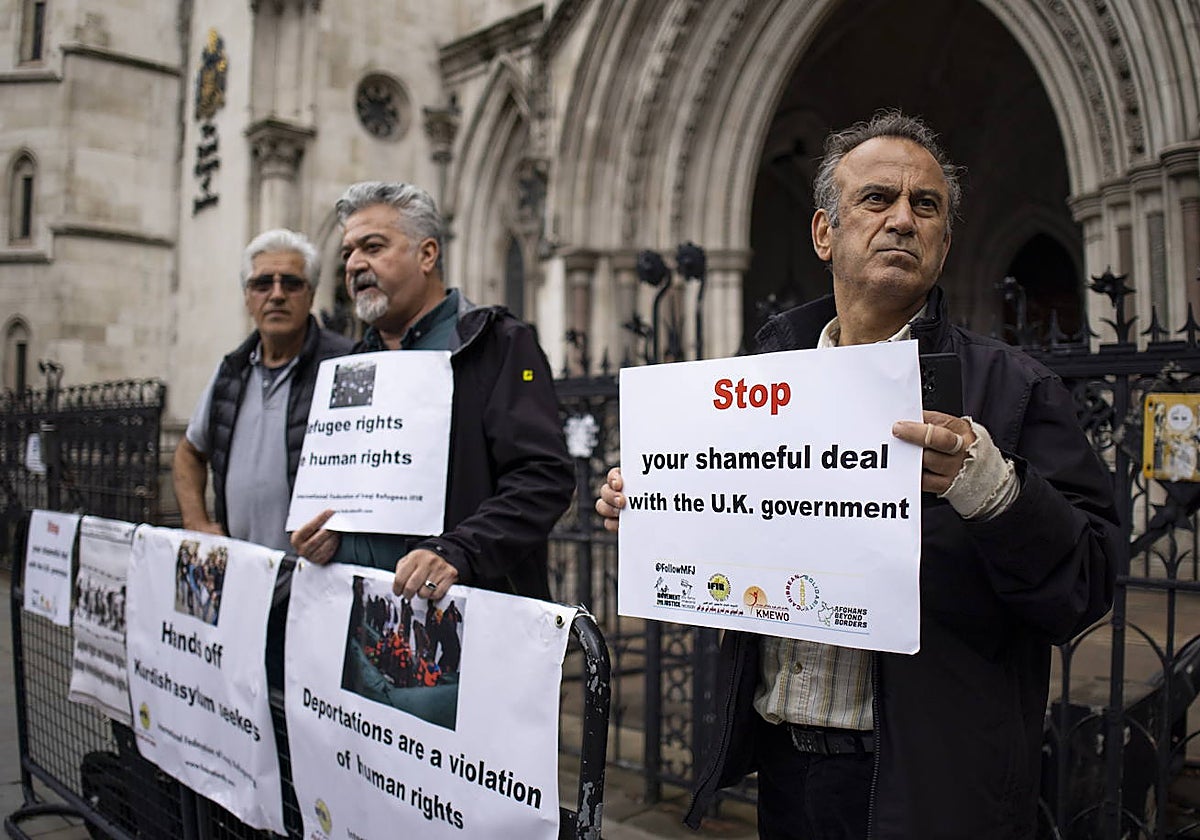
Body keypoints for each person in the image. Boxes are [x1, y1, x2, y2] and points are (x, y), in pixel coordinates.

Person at [596, 111, 1121, 839]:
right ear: (824, 233)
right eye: (877, 199)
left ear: (943, 240)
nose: (903, 219)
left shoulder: (1014, 388)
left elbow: (1088, 583)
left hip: (927, 786)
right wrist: (663, 510)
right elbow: (730, 562)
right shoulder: (756, 390)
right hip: (786, 774)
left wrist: (993, 490)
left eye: (926, 205)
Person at [290, 181, 574, 604]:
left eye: (373, 246)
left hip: (465, 624)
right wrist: (326, 537)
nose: (353, 264)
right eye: (348, 252)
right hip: (358, 619)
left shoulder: (494, 344)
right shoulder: (350, 364)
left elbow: (543, 479)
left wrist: (459, 551)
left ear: (427, 254)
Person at [173, 229, 354, 552]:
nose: (277, 294)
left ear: (311, 294)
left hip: (314, 576)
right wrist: (196, 523)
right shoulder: (231, 371)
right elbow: (189, 453)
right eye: (262, 284)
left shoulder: (347, 365)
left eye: (291, 283)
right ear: (247, 297)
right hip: (241, 572)